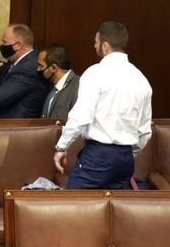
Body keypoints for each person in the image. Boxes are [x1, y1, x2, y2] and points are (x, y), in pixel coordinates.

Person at [54, 21, 153, 189]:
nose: (94, 46)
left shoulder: (95, 73)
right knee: (114, 212)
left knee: (72, 209)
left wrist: (61, 146)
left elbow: (81, 115)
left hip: (98, 156)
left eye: (96, 41)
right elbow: (144, 132)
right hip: (125, 159)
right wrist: (125, 153)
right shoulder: (141, 80)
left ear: (105, 46)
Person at [37, 44, 80, 119]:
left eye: (41, 66)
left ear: (53, 68)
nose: (38, 69)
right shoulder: (50, 86)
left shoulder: (78, 87)